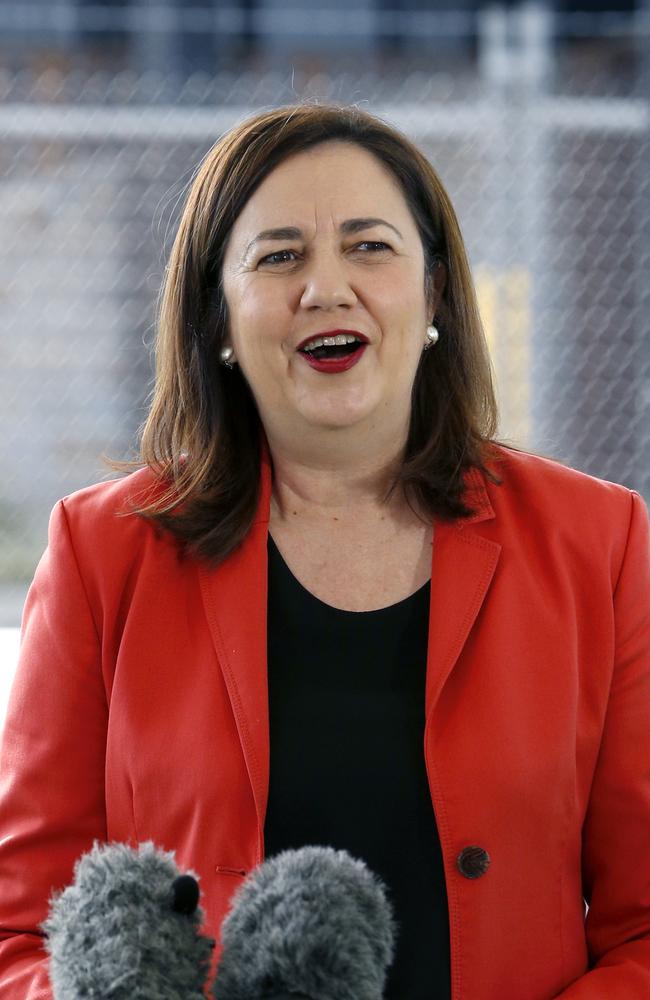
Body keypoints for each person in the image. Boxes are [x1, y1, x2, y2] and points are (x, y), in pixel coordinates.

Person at [0, 101, 649, 1000]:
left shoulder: (600, 543)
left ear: (435, 295)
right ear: (220, 320)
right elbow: (21, 929)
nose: (326, 288)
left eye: (370, 246)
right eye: (279, 258)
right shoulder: (101, 552)